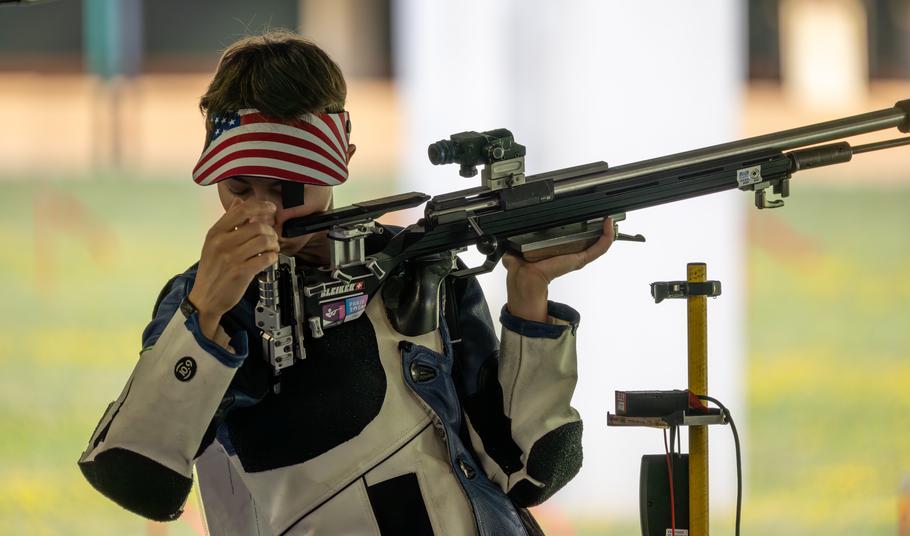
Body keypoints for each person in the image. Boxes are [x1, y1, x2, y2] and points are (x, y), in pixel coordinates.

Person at [78, 31, 614, 535]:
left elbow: (535, 467)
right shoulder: (209, 302)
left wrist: (529, 296)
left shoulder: (421, 266)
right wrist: (204, 313)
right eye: (238, 187)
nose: (263, 208)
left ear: (343, 162)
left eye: (289, 188)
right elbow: (135, 474)